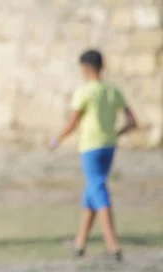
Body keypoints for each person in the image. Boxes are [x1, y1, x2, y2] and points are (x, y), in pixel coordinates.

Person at [51, 49, 137, 261]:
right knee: (92, 191)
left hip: (90, 146)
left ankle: (112, 245)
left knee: (98, 189)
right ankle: (80, 243)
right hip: (109, 146)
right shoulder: (112, 91)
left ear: (86, 68)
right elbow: (132, 121)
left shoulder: (85, 92)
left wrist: (57, 139)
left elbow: (73, 122)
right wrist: (117, 133)